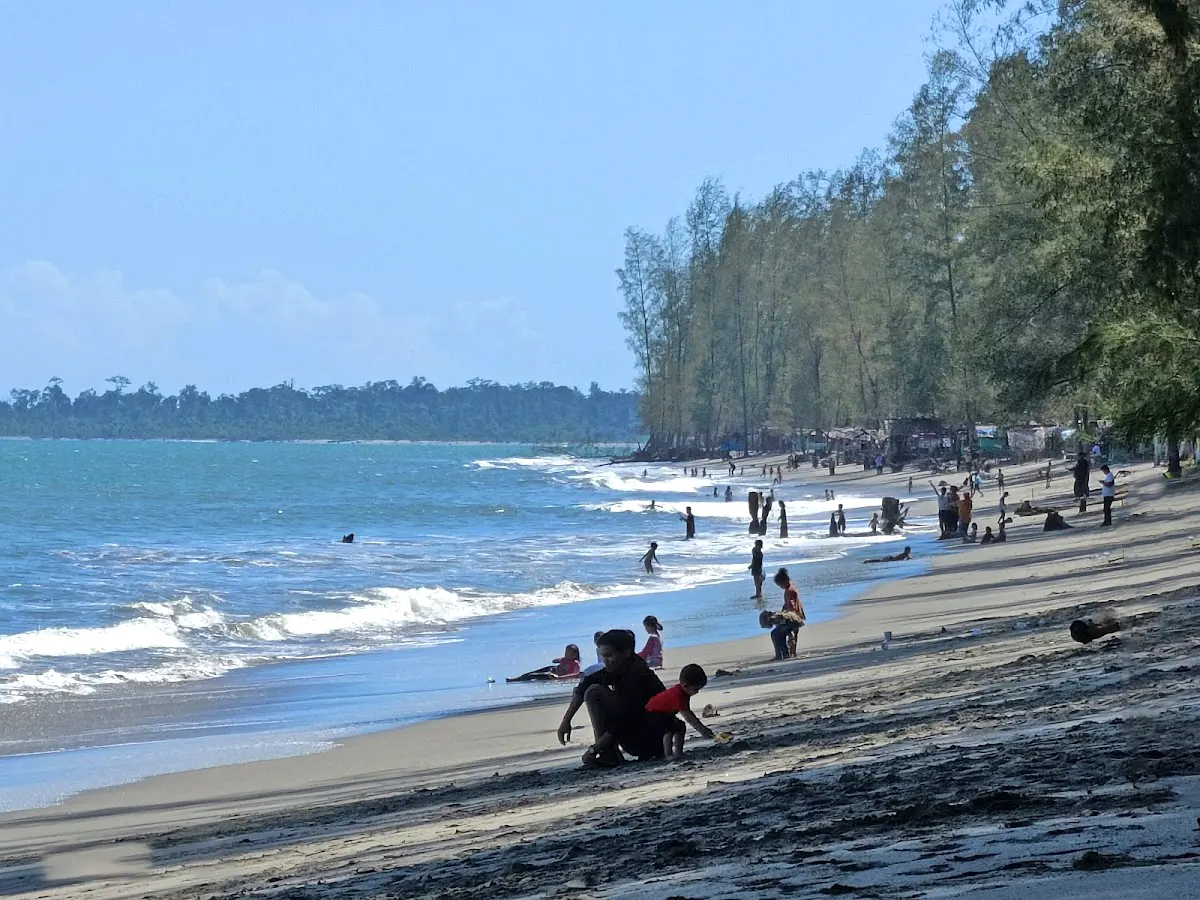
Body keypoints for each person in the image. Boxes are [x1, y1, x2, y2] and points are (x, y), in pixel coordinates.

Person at [558, 629, 666, 767]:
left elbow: (622, 723)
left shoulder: (637, 675)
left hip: (651, 740)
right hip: (636, 731)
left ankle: (607, 754)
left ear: (626, 652)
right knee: (592, 688)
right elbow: (584, 685)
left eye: (609, 655)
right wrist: (566, 722)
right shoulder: (620, 667)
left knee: (594, 693)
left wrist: (594, 750)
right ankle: (607, 753)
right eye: (603, 656)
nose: (606, 661)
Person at [646, 664, 715, 759]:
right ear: (685, 686)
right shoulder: (678, 695)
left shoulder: (683, 693)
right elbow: (688, 716)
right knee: (669, 729)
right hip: (652, 713)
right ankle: (668, 754)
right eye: (696, 689)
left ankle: (678, 752)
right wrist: (702, 730)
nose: (697, 692)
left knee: (680, 726)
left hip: (665, 713)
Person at [768, 568, 806, 660]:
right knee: (793, 635)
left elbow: (791, 605)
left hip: (793, 617)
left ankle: (783, 654)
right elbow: (787, 604)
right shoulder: (792, 587)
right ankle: (792, 653)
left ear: (785, 581)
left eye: (780, 585)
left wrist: (785, 615)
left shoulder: (789, 591)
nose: (780, 587)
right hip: (798, 615)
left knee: (779, 634)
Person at [507, 644, 582, 683]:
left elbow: (574, 675)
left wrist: (559, 677)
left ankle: (516, 680)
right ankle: (517, 678)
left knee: (532, 676)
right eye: (566, 652)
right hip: (552, 669)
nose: (566, 654)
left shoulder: (575, 663)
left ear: (574, 655)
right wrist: (563, 659)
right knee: (533, 672)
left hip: (553, 675)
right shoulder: (565, 659)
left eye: (568, 653)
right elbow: (554, 661)